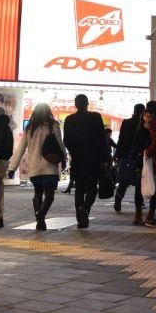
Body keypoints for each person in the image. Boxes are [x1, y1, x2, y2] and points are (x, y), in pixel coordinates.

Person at [8, 103, 67, 231]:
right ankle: (41, 215)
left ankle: (40, 220)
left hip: (34, 166)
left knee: (38, 193)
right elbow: (59, 143)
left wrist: (12, 168)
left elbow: (20, 148)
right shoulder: (53, 125)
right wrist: (64, 158)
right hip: (50, 166)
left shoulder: (30, 127)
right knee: (50, 195)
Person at [63, 94, 107, 229]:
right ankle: (85, 208)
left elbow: (67, 140)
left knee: (79, 189)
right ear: (87, 104)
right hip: (93, 158)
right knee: (92, 188)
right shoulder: (95, 117)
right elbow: (102, 138)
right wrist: (104, 158)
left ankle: (80, 220)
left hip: (77, 159)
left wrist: (74, 152)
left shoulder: (69, 119)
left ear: (76, 105)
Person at [113, 104, 146, 223]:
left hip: (126, 156)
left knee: (124, 180)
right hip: (139, 156)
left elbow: (121, 139)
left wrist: (117, 155)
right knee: (139, 182)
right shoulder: (143, 123)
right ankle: (139, 203)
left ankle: (119, 196)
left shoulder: (126, 122)